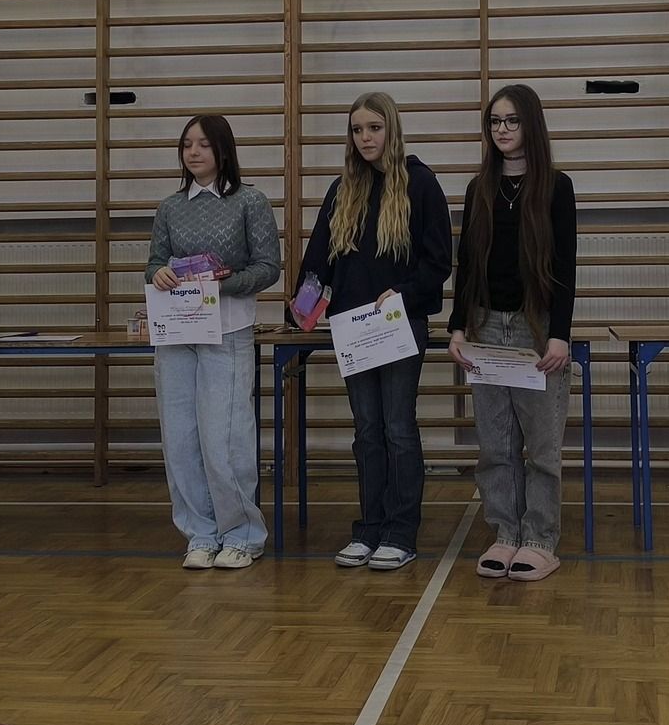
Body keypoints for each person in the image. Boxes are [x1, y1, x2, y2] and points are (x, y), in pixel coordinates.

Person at [296, 91, 451, 572]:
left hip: (400, 325)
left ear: (392, 129)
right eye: (357, 130)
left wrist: (402, 293)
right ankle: (369, 527)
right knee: (366, 431)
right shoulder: (342, 190)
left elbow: (438, 263)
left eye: (374, 128)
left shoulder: (421, 184)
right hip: (354, 330)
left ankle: (400, 532)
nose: (365, 138)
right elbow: (318, 259)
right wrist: (302, 306)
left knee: (398, 428)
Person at [447, 86, 578, 582]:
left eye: (512, 121)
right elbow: (466, 264)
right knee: (496, 443)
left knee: (541, 446)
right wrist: (458, 326)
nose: (502, 130)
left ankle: (540, 539)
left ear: (531, 126)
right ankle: (505, 532)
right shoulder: (479, 188)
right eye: (495, 122)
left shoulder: (556, 187)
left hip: (534, 326)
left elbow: (565, 266)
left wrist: (559, 334)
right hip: (485, 325)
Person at [145, 114, 282, 570]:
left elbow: (268, 267)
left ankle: (242, 534)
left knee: (225, 435)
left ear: (223, 149)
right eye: (187, 144)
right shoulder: (170, 207)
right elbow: (154, 262)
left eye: (203, 144)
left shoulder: (249, 202)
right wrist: (159, 274)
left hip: (227, 328)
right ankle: (200, 533)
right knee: (180, 436)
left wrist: (223, 283)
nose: (194, 152)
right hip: (176, 330)